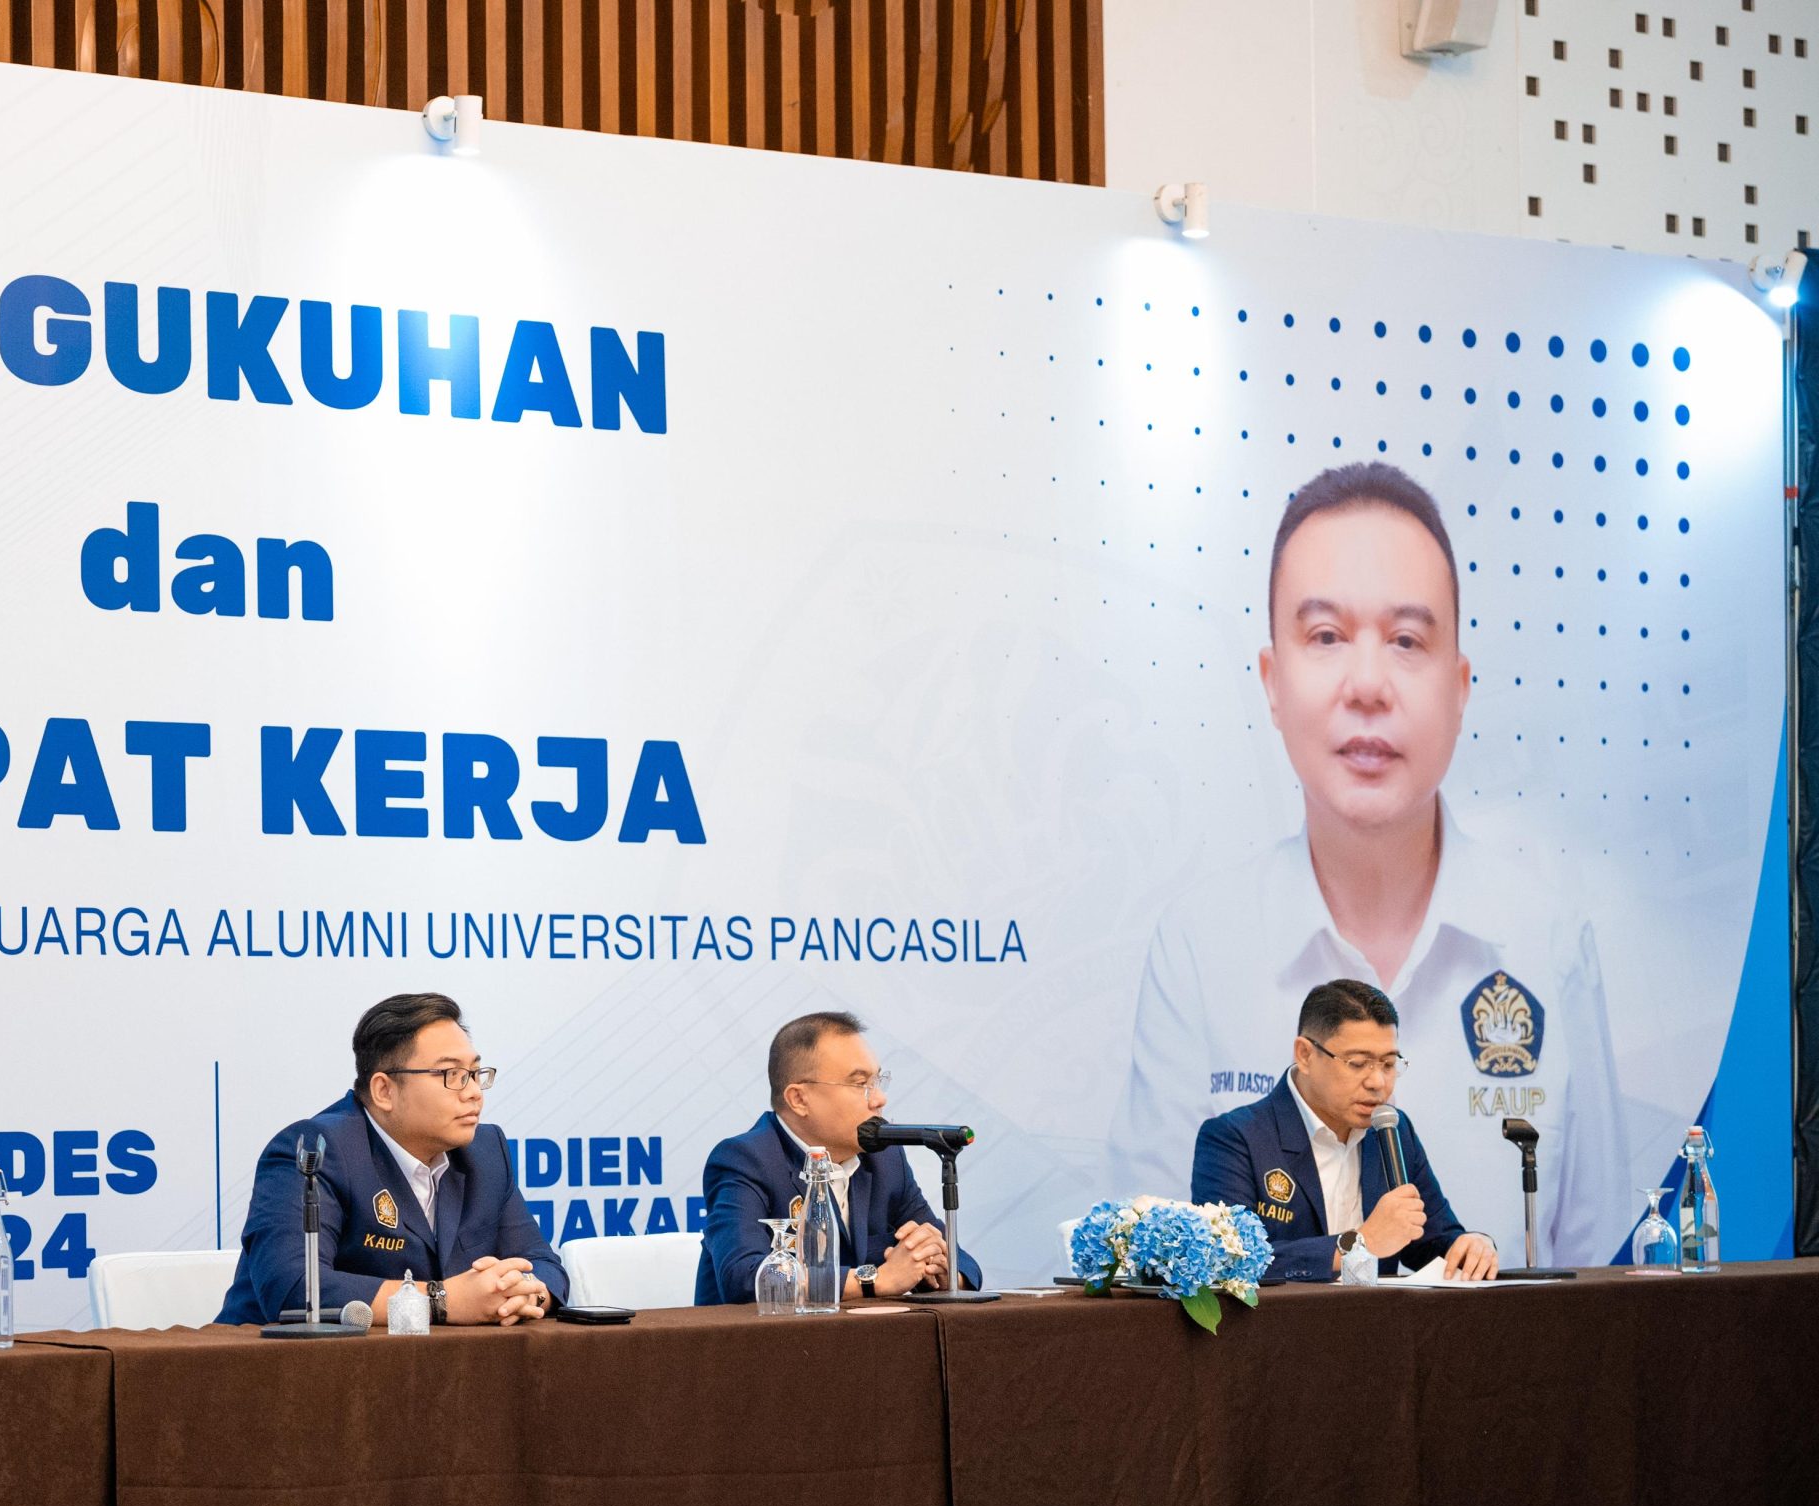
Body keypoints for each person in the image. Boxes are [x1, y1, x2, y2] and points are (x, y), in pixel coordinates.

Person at [1110, 460, 1636, 1267]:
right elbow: (1162, 1255)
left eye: (1406, 640)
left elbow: (1599, 1257)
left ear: (1459, 687)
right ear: (1272, 681)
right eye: (1326, 636)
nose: (1366, 685)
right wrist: (1352, 1247)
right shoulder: (1200, 943)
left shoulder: (1546, 936)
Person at [215, 992, 566, 1326]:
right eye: (452, 1075)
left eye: (474, 1074)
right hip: (277, 1361)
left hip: (430, 1361)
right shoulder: (316, 1150)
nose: (474, 1093)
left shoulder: (486, 1152)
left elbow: (545, 1266)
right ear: (384, 1090)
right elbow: (296, 1289)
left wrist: (524, 1294)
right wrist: (442, 1301)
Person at [1194, 979, 1500, 1282]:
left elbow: (1432, 1240)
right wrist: (1357, 1244)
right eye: (1357, 1063)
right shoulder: (1235, 1138)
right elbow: (1228, 1261)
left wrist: (1472, 1246)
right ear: (1305, 1055)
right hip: (1285, 1315)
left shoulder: (1393, 1129)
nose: (1377, 1082)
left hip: (1380, 1314)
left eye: (1388, 1064)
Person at [694, 1011, 981, 1305]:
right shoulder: (745, 1160)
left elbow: (964, 1265)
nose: (879, 1099)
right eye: (860, 1084)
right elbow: (743, 1278)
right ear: (799, 1099)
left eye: (878, 1081)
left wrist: (942, 1271)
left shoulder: (886, 1159)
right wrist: (875, 1280)